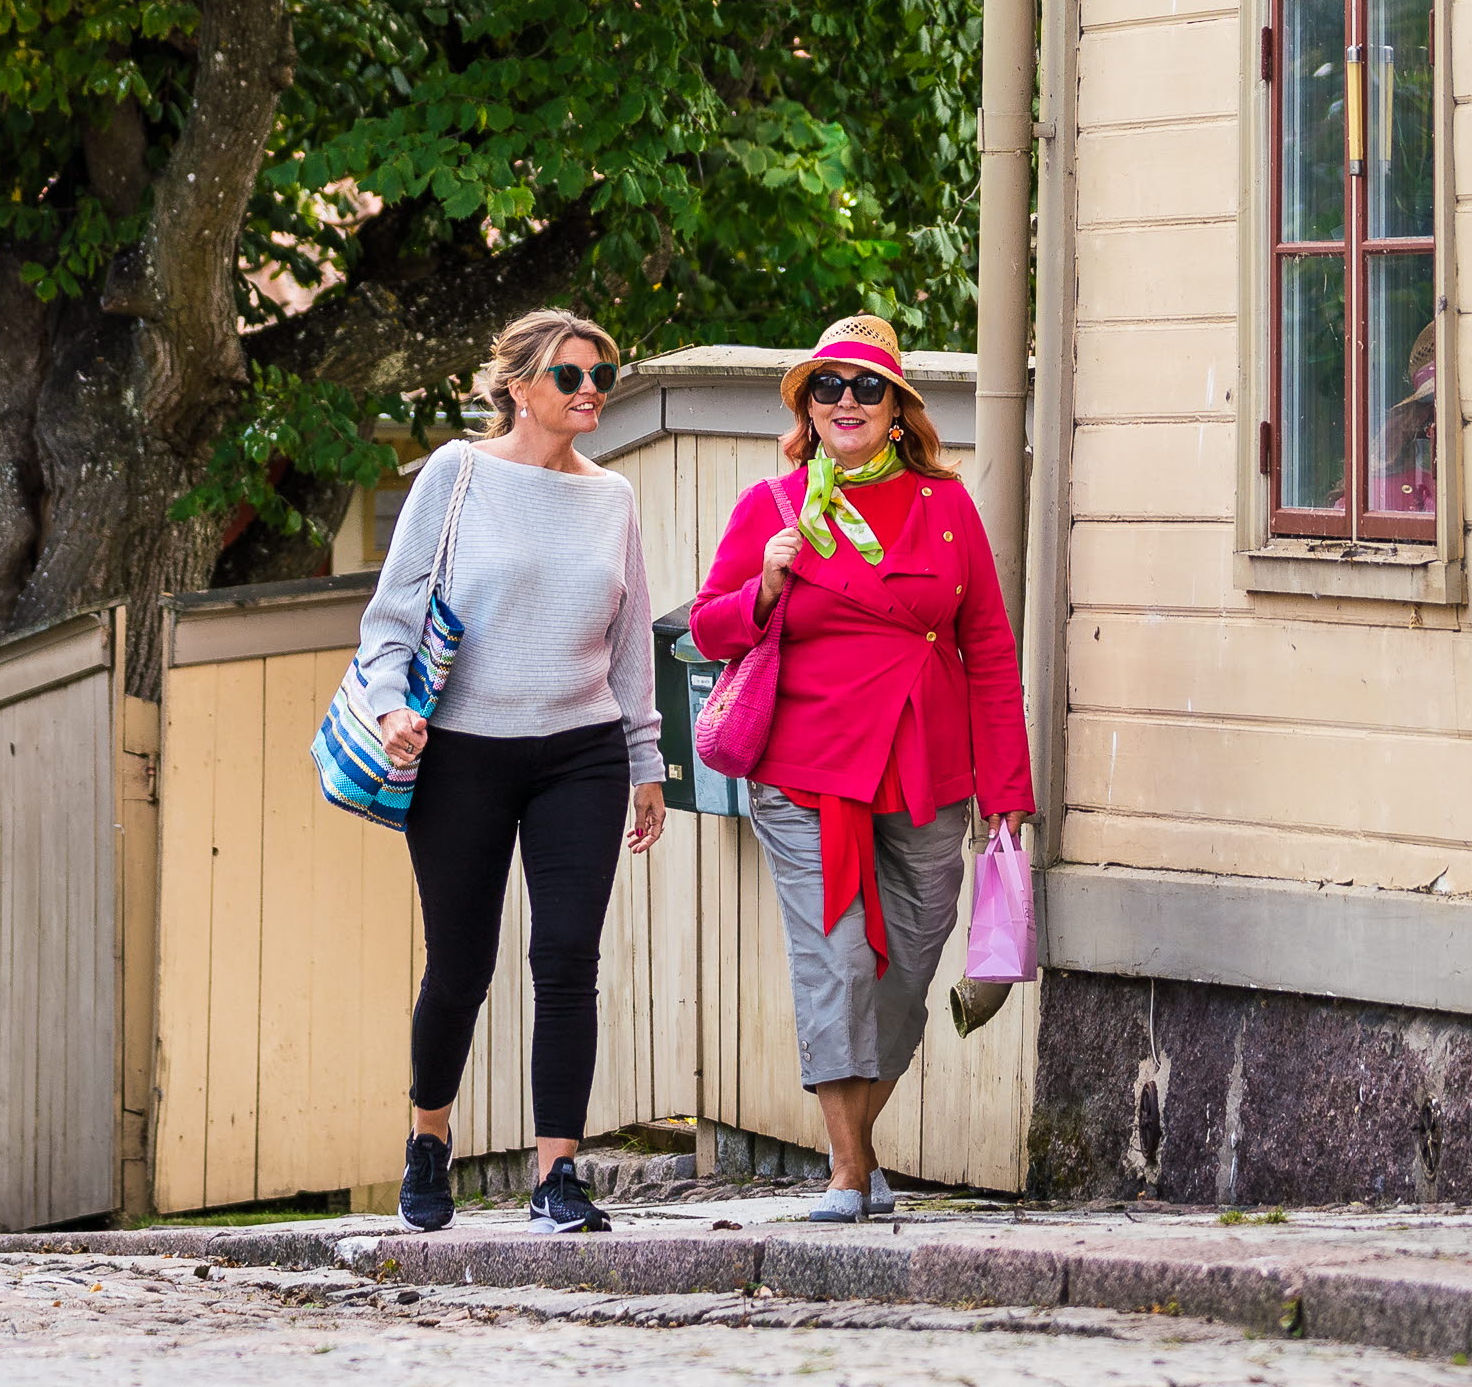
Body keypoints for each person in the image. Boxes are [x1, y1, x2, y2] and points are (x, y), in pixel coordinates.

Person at [687, 316, 1036, 1221]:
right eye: (828, 385)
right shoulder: (771, 507)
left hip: (925, 762)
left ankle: (859, 1146)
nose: (846, 399)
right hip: (805, 769)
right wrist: (765, 583)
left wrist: (1007, 792)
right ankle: (848, 1173)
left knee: (911, 960)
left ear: (897, 412)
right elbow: (708, 629)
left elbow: (989, 648)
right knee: (838, 958)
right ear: (806, 407)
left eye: (866, 387)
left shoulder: (946, 508)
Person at [360, 309, 669, 1235]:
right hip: (461, 754)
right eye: (570, 374)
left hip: (581, 752)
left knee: (568, 955)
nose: (591, 390)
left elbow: (629, 645)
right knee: (461, 964)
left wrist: (646, 759)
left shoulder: (612, 498)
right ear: (520, 385)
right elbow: (392, 618)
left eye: (602, 375)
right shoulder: (456, 476)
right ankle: (428, 1138)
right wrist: (392, 710)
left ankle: (558, 1175)